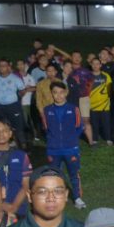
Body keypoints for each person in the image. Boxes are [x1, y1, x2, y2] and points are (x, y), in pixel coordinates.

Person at [42, 80, 87, 210]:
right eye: (55, 92)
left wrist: (71, 139)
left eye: (61, 92)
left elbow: (79, 127)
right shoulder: (47, 110)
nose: (58, 95)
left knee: (74, 174)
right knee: (54, 175)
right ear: (52, 94)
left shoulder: (74, 109)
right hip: (53, 150)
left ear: (65, 93)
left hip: (70, 149)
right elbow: (46, 129)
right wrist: (53, 141)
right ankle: (58, 197)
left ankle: (77, 198)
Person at [0, 58, 28, 148]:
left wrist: (16, 98)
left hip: (13, 106)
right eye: (0, 66)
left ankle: (23, 144)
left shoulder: (15, 78)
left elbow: (22, 90)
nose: (2, 68)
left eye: (4, 66)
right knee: (2, 124)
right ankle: (6, 142)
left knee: (18, 126)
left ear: (8, 67)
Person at [89, 57, 114, 146]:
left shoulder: (105, 76)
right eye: (93, 64)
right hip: (92, 105)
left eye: (97, 64)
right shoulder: (88, 76)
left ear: (100, 65)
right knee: (94, 123)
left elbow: (110, 89)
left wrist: (109, 100)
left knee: (106, 123)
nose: (95, 66)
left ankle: (108, 138)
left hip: (104, 105)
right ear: (91, 65)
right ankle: (95, 138)